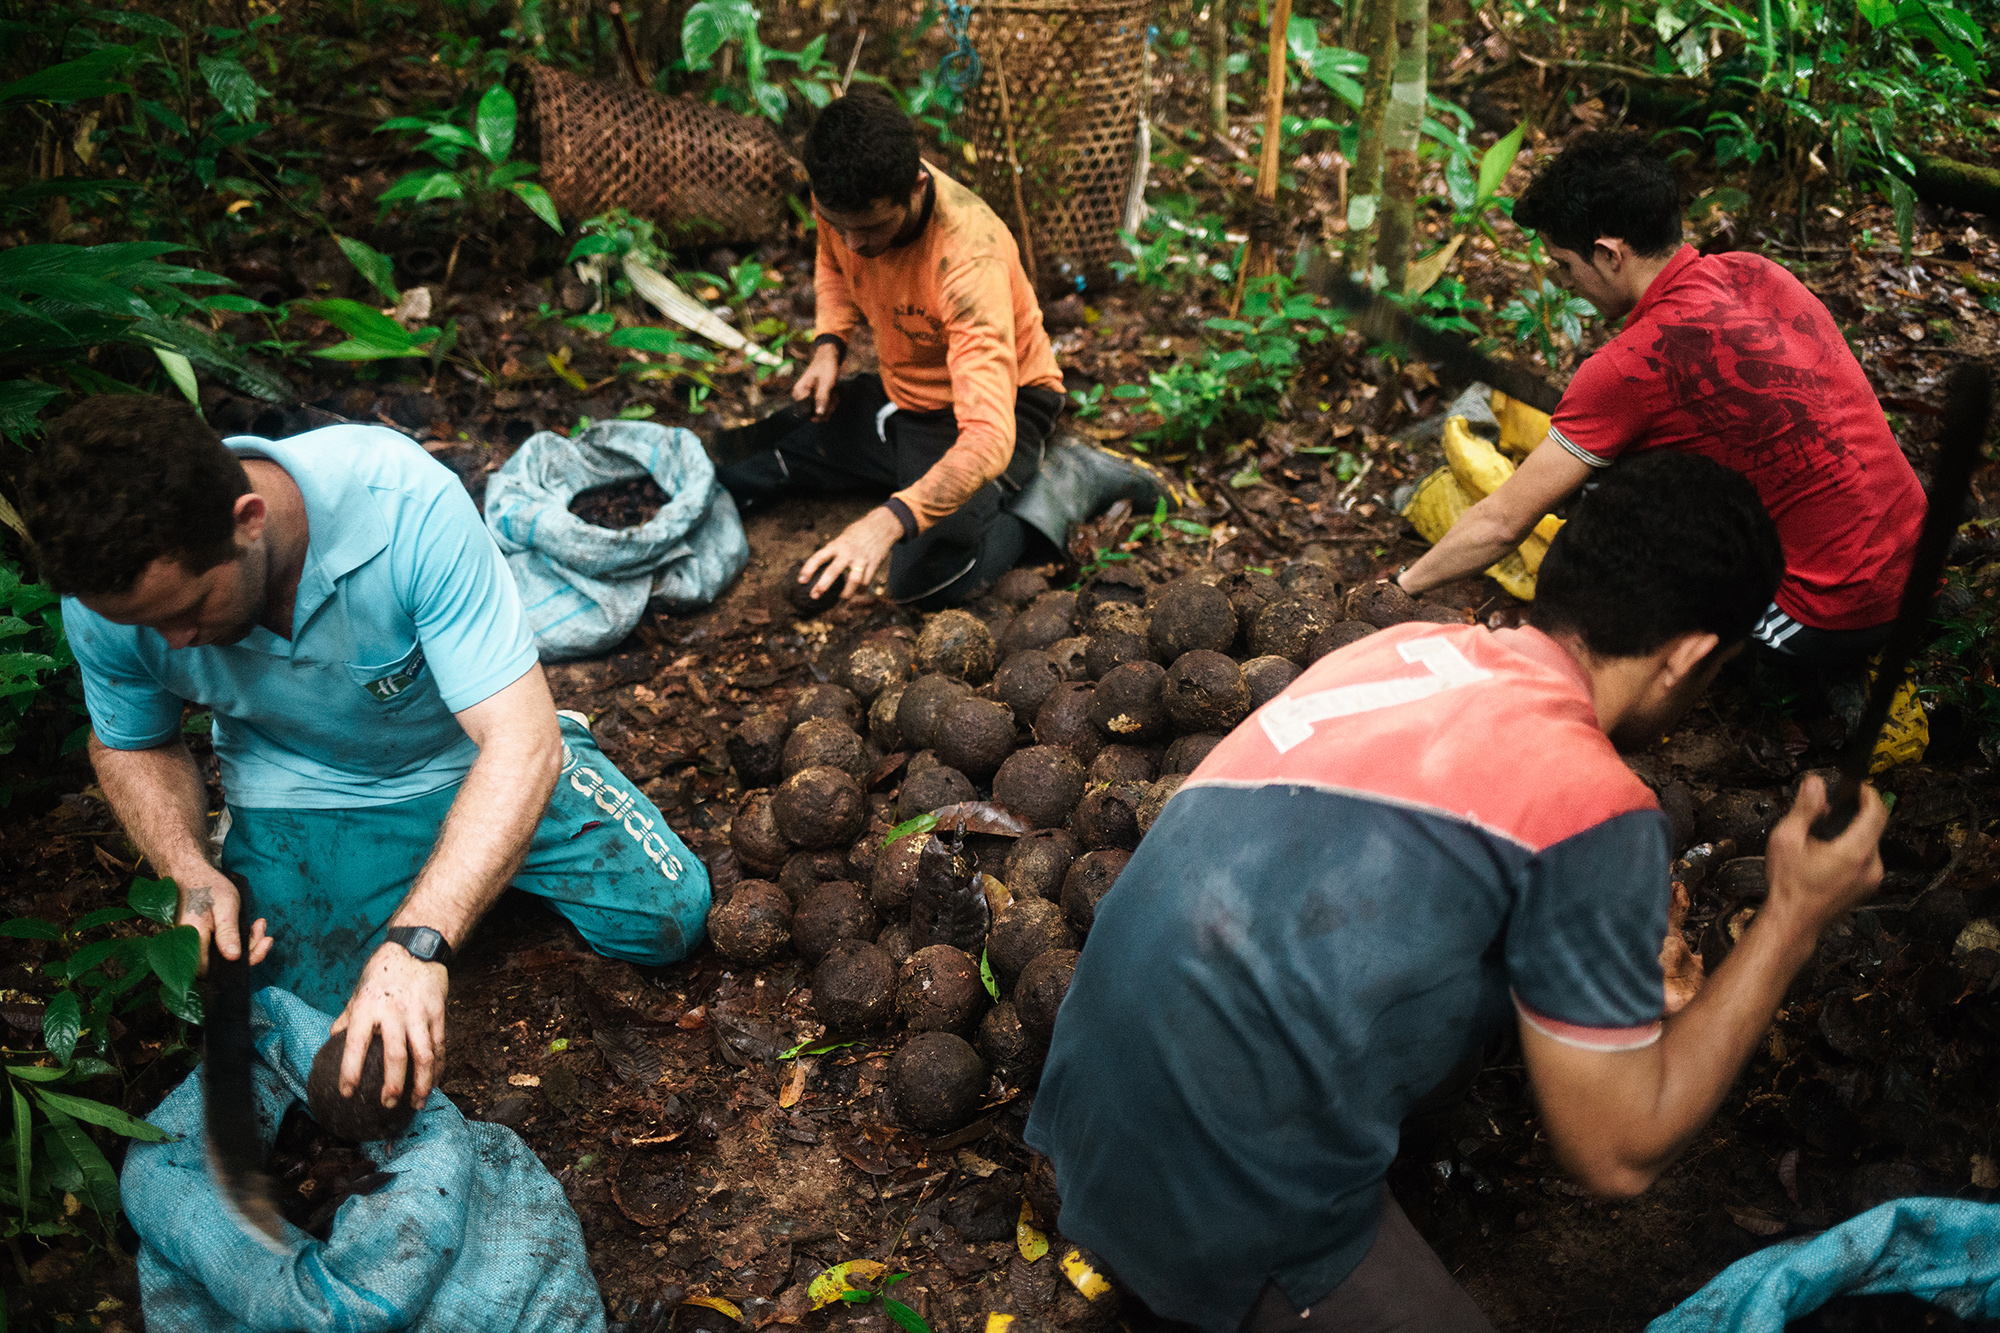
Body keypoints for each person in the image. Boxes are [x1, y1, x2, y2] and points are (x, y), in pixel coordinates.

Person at [1025, 453, 1888, 1333]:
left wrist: (1607, 967)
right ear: (1690, 659)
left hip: (1084, 1102)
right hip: (1213, 1182)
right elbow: (1618, 1152)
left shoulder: (1402, 648)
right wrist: (1791, 917)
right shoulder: (1596, 806)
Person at [18, 396, 710, 1116]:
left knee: (670, 917)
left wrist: (418, 942)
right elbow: (135, 741)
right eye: (145, 625)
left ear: (248, 521)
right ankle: (429, 873)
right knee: (306, 1026)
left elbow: (514, 741)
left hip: (478, 752)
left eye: (188, 608)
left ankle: (481, 846)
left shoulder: (403, 504)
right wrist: (186, 868)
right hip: (308, 786)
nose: (172, 642)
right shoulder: (111, 603)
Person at [1397, 131, 1923, 669]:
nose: (1563, 283)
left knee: (1613, 552)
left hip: (1827, 614)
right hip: (1919, 561)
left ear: (1606, 255)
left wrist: (1404, 584)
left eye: (1563, 265)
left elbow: (1503, 523)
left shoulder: (1628, 368)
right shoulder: (1757, 273)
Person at [715, 87, 1171, 609]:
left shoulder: (967, 261)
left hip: (1002, 406)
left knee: (926, 582)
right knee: (747, 459)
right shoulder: (843, 199)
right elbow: (835, 267)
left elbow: (987, 436)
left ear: (915, 186)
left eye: (870, 229)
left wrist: (886, 523)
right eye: (839, 226)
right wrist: (829, 346)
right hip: (907, 394)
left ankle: (1062, 481)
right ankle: (909, 467)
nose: (855, 244)